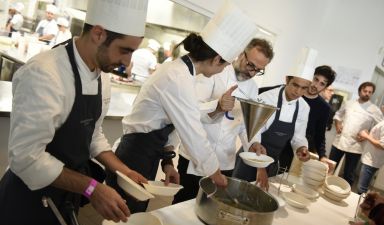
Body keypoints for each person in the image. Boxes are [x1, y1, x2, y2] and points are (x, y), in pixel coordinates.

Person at [0, 0, 149, 225]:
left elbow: (92, 135)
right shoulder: (45, 74)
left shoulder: (102, 76)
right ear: (98, 34)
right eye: (125, 50)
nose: (127, 62)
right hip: (26, 200)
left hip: (65, 195)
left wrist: (124, 171)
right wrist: (92, 188)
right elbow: (26, 158)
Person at [106, 1, 258, 213]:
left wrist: (167, 161)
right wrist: (215, 173)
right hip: (135, 154)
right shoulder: (177, 78)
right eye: (225, 65)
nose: (224, 70)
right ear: (216, 59)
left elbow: (171, 123)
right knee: (123, 214)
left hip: (148, 152)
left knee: (134, 212)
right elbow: (192, 132)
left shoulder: (183, 73)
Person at [173, 38, 274, 203]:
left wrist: (253, 143)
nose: (252, 73)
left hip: (225, 160)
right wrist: (218, 106)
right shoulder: (213, 71)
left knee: (212, 205)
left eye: (258, 70)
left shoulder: (252, 88)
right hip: (196, 155)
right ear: (241, 54)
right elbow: (191, 112)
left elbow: (245, 124)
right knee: (184, 203)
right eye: (250, 65)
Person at [232, 67, 313, 189]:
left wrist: (301, 148)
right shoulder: (267, 98)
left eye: (304, 88)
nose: (298, 92)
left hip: (272, 162)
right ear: (287, 80)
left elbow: (298, 137)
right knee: (236, 195)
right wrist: (260, 167)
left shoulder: (303, 107)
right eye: (295, 85)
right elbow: (253, 132)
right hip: (251, 156)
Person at [329, 82, 383, 186]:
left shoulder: (374, 109)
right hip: (339, 141)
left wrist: (367, 134)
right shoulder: (349, 103)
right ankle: (324, 186)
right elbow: (338, 114)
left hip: (356, 146)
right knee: (330, 166)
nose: (367, 93)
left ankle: (345, 194)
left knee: (348, 174)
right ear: (360, 91)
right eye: (365, 91)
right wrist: (337, 124)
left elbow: (380, 127)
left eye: (370, 92)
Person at [356, 120, 384, 194]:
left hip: (372, 161)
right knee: (362, 187)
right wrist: (369, 134)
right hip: (370, 159)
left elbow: (382, 145)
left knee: (361, 189)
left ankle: (361, 205)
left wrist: (366, 136)